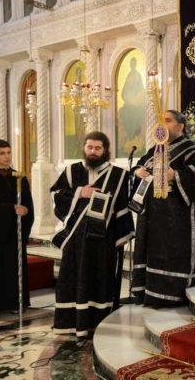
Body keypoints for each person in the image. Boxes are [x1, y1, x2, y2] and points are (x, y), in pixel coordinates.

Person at [51, 131, 134, 337]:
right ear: (84, 148)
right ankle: (71, 323)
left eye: (98, 148)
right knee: (72, 278)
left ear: (105, 150)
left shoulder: (119, 175)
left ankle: (97, 323)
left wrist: (121, 237)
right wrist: (80, 192)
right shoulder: (72, 171)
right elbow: (57, 195)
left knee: (100, 279)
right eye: (90, 147)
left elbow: (122, 206)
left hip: (104, 241)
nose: (93, 152)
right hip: (75, 239)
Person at [131, 110, 195, 306]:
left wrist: (174, 175)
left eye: (167, 121)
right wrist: (137, 171)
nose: (163, 124)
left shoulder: (192, 151)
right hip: (151, 215)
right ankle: (147, 291)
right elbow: (140, 166)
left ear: (180, 126)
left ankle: (170, 292)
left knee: (170, 252)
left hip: (176, 218)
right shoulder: (155, 150)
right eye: (161, 121)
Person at [0, 140, 34, 312]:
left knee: (14, 270)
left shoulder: (19, 176)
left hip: (14, 233)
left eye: (9, 152)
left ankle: (16, 303)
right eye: (2, 153)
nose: (7, 157)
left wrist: (25, 212)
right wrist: (11, 208)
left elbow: (28, 203)